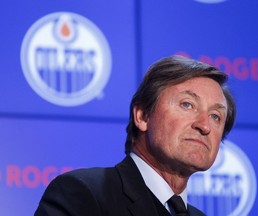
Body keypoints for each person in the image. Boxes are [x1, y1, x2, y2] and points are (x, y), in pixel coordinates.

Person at [34, 55, 236, 216]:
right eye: (187, 104)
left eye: (215, 116)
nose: (204, 125)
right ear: (142, 116)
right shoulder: (85, 194)